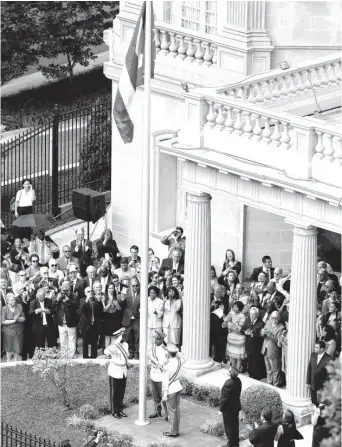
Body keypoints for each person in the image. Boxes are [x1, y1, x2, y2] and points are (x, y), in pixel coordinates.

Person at [104, 327, 129, 419]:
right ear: (118, 336)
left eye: (124, 335)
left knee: (121, 392)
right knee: (114, 393)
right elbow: (105, 352)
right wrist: (114, 344)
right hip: (115, 372)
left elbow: (127, 356)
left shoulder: (125, 345)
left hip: (123, 371)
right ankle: (114, 411)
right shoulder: (114, 346)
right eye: (122, 336)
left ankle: (120, 409)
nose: (124, 337)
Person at [161, 342, 183, 438]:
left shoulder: (167, 366)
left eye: (166, 351)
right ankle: (176, 430)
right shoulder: (179, 361)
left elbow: (166, 381)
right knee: (176, 410)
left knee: (171, 411)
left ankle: (173, 431)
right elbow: (183, 356)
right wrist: (175, 352)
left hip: (170, 389)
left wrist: (165, 395)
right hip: (178, 386)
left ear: (169, 353)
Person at [54, 281, 79, 358]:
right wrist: (57, 300)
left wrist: (69, 300)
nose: (64, 292)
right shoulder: (59, 296)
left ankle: (71, 356)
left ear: (70, 289)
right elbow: (53, 306)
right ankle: (64, 355)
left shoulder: (74, 296)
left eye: (66, 290)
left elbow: (77, 305)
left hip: (71, 322)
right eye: (63, 290)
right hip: (61, 322)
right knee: (62, 340)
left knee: (72, 340)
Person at [78, 287, 104, 359]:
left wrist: (99, 301)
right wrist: (87, 300)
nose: (90, 293)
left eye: (91, 291)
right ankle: (85, 357)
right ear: (85, 293)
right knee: (85, 342)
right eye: (88, 291)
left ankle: (93, 356)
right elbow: (81, 310)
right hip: (85, 324)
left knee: (94, 341)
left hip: (95, 324)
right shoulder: (82, 300)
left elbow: (101, 310)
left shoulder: (96, 300)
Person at [148, 330, 168, 420]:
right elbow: (149, 358)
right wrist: (152, 363)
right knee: (155, 394)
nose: (155, 341)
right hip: (154, 374)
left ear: (162, 339)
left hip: (162, 376)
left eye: (157, 339)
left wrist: (160, 365)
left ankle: (168, 414)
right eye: (154, 339)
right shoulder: (151, 347)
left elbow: (167, 362)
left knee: (164, 396)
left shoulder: (165, 350)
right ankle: (157, 411)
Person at [219, 366, 242, 447]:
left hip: (228, 410)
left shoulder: (228, 384)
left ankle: (230, 445)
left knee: (229, 428)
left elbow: (225, 398)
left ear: (230, 374)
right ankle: (235, 444)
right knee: (235, 426)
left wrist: (221, 409)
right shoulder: (238, 381)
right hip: (236, 407)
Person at [261, 311, 284, 387]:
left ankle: (276, 385)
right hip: (265, 349)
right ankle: (269, 383)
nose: (274, 320)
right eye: (273, 318)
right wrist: (262, 333)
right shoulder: (268, 322)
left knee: (275, 371)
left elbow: (278, 340)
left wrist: (269, 334)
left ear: (279, 318)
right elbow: (262, 332)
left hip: (274, 351)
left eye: (276, 318)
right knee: (268, 370)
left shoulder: (281, 327)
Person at [1, 293, 25, 361]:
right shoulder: (4, 309)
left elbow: (23, 318)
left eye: (14, 299)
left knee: (17, 347)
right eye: (11, 300)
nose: (14, 301)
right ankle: (8, 361)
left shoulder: (19, 306)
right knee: (9, 347)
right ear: (7, 301)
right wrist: (15, 320)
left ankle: (15, 361)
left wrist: (19, 319)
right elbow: (3, 321)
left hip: (18, 330)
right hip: (8, 331)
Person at [223, 301, 246, 371]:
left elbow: (238, 329)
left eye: (236, 307)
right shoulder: (231, 313)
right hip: (231, 337)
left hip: (239, 339)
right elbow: (224, 324)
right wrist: (225, 320)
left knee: (238, 357)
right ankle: (233, 370)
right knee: (232, 356)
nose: (234, 308)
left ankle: (237, 371)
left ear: (240, 308)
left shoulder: (242, 316)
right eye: (234, 307)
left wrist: (230, 322)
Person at [306, 341, 331, 405]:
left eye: (316, 347)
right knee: (313, 402)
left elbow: (329, 374)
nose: (314, 348)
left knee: (322, 403)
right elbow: (309, 368)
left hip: (321, 385)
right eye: (315, 347)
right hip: (312, 383)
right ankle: (314, 410)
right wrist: (308, 381)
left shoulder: (328, 358)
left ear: (322, 349)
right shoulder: (313, 355)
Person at [244, 307, 266, 380]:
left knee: (256, 361)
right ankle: (250, 373)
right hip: (248, 344)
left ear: (257, 315)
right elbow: (243, 328)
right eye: (251, 314)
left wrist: (253, 333)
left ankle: (256, 376)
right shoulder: (247, 320)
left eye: (253, 314)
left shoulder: (261, 323)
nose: (251, 316)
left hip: (256, 345)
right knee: (249, 360)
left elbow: (260, 334)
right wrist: (245, 332)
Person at [122, 277, 140, 359]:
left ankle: (136, 353)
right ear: (130, 285)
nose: (135, 287)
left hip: (137, 319)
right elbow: (122, 305)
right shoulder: (126, 293)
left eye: (136, 285)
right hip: (128, 319)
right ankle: (131, 352)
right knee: (129, 336)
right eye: (133, 286)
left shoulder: (142, 294)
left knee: (137, 337)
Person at [103, 282, 125, 348]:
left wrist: (116, 304)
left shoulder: (117, 296)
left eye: (112, 288)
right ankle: (107, 352)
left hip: (115, 317)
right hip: (107, 317)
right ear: (107, 289)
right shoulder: (104, 297)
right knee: (107, 336)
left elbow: (119, 309)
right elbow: (104, 310)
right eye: (109, 288)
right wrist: (109, 303)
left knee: (113, 335)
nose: (111, 289)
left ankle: (112, 352)